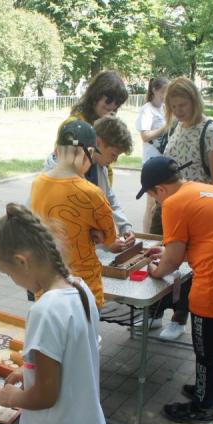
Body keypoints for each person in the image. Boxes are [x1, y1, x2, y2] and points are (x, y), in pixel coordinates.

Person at [0, 203, 106, 424]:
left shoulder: (44, 309)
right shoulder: (78, 287)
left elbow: (45, 395)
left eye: (9, 273)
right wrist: (27, 373)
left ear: (22, 261)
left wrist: (12, 396)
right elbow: (70, 360)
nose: (13, 280)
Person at [136, 157, 213, 424]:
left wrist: (155, 270)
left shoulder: (173, 203)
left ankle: (203, 408)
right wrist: (168, 251)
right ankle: (212, 393)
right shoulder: (207, 190)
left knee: (205, 347)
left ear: (160, 190)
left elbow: (170, 263)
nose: (156, 203)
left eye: (153, 197)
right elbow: (202, 238)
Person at [143, 77, 213, 341]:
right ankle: (155, 312)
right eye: (174, 106)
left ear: (195, 100)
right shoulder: (176, 127)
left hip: (194, 211)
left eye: (183, 105)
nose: (179, 111)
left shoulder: (211, 130)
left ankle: (179, 319)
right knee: (159, 254)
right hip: (167, 205)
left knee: (187, 265)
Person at [30, 120, 116, 309]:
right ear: (90, 154)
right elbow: (110, 238)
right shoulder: (91, 193)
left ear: (56, 150)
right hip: (83, 288)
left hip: (46, 283)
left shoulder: (37, 184)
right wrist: (98, 235)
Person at [46, 70, 128, 187]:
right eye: (109, 100)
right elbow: (63, 159)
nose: (112, 107)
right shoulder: (74, 125)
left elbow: (106, 167)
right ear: (96, 96)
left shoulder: (106, 126)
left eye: (117, 105)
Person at [92, 115, 136, 252]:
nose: (115, 160)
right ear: (98, 142)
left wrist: (125, 227)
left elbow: (110, 200)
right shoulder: (72, 172)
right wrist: (106, 243)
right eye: (113, 154)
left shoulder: (100, 167)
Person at [135, 75, 169, 232]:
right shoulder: (147, 110)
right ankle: (147, 237)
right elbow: (145, 136)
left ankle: (156, 235)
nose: (165, 96)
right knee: (151, 203)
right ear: (155, 90)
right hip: (151, 161)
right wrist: (165, 127)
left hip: (164, 161)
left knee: (162, 202)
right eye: (163, 92)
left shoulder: (163, 109)